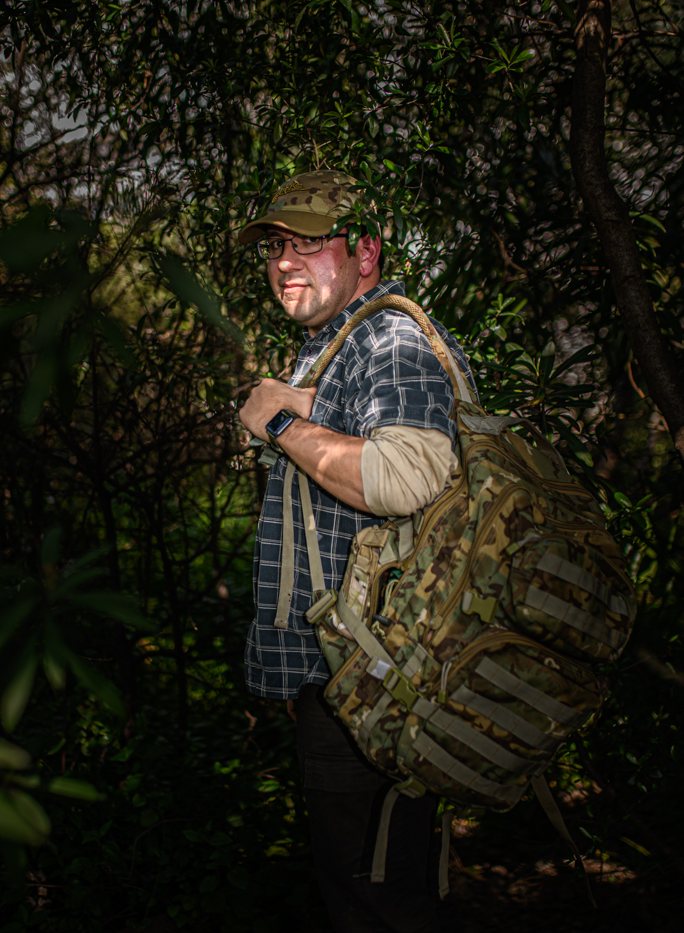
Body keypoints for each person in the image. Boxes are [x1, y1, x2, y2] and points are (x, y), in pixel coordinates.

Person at [235, 170, 475, 933]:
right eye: (276, 244)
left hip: (374, 678)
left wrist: (279, 422)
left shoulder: (390, 336)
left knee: (376, 897)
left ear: (366, 251)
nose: (284, 260)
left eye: (309, 241)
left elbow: (405, 475)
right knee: (372, 884)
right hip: (354, 677)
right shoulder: (344, 345)